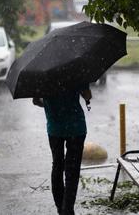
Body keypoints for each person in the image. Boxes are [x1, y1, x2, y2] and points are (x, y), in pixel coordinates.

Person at [33, 84, 92, 215]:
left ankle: (61, 208)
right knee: (73, 169)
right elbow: (87, 95)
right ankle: (68, 209)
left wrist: (50, 103)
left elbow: (36, 101)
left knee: (57, 165)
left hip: (55, 129)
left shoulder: (41, 76)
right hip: (76, 127)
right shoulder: (75, 70)